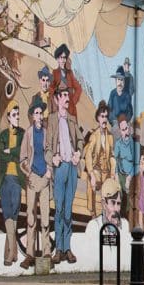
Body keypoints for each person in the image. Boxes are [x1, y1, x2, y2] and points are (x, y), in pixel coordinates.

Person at [46, 85, 83, 264]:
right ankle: (58, 249)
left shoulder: (72, 119)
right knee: (59, 209)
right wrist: (52, 158)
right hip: (59, 168)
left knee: (68, 210)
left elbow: (80, 140)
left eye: (68, 95)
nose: (67, 99)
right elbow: (46, 148)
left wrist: (78, 153)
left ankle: (67, 248)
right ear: (57, 99)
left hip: (72, 168)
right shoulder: (51, 120)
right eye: (64, 96)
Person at [19, 98, 52, 268]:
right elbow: (22, 159)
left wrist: (49, 171)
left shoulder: (46, 134)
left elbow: (51, 155)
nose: (39, 116)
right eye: (36, 113)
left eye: (41, 113)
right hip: (32, 180)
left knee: (45, 217)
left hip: (44, 180)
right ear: (32, 116)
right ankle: (30, 255)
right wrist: (29, 174)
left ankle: (47, 253)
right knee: (31, 218)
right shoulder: (28, 134)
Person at [0, 100, 25, 266]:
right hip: (5, 179)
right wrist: (11, 154)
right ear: (8, 117)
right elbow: (1, 155)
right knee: (7, 214)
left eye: (18, 115)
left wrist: (11, 152)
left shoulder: (21, 134)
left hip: (17, 180)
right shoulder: (3, 135)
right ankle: (12, 253)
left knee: (13, 214)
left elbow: (21, 153)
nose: (17, 118)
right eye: (14, 115)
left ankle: (9, 255)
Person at [83, 100, 115, 226]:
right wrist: (91, 173)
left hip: (106, 171)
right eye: (102, 116)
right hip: (95, 169)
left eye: (106, 116)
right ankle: (92, 213)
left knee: (112, 188)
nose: (104, 119)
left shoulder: (110, 137)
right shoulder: (94, 136)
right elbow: (88, 156)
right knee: (92, 183)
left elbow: (112, 156)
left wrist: (113, 173)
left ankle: (108, 217)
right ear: (98, 118)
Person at [51, 44, 83, 117]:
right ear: (57, 59)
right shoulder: (55, 73)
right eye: (61, 57)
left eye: (64, 58)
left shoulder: (70, 73)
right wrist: (56, 101)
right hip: (59, 109)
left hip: (70, 109)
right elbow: (50, 89)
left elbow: (78, 88)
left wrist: (73, 101)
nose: (63, 60)